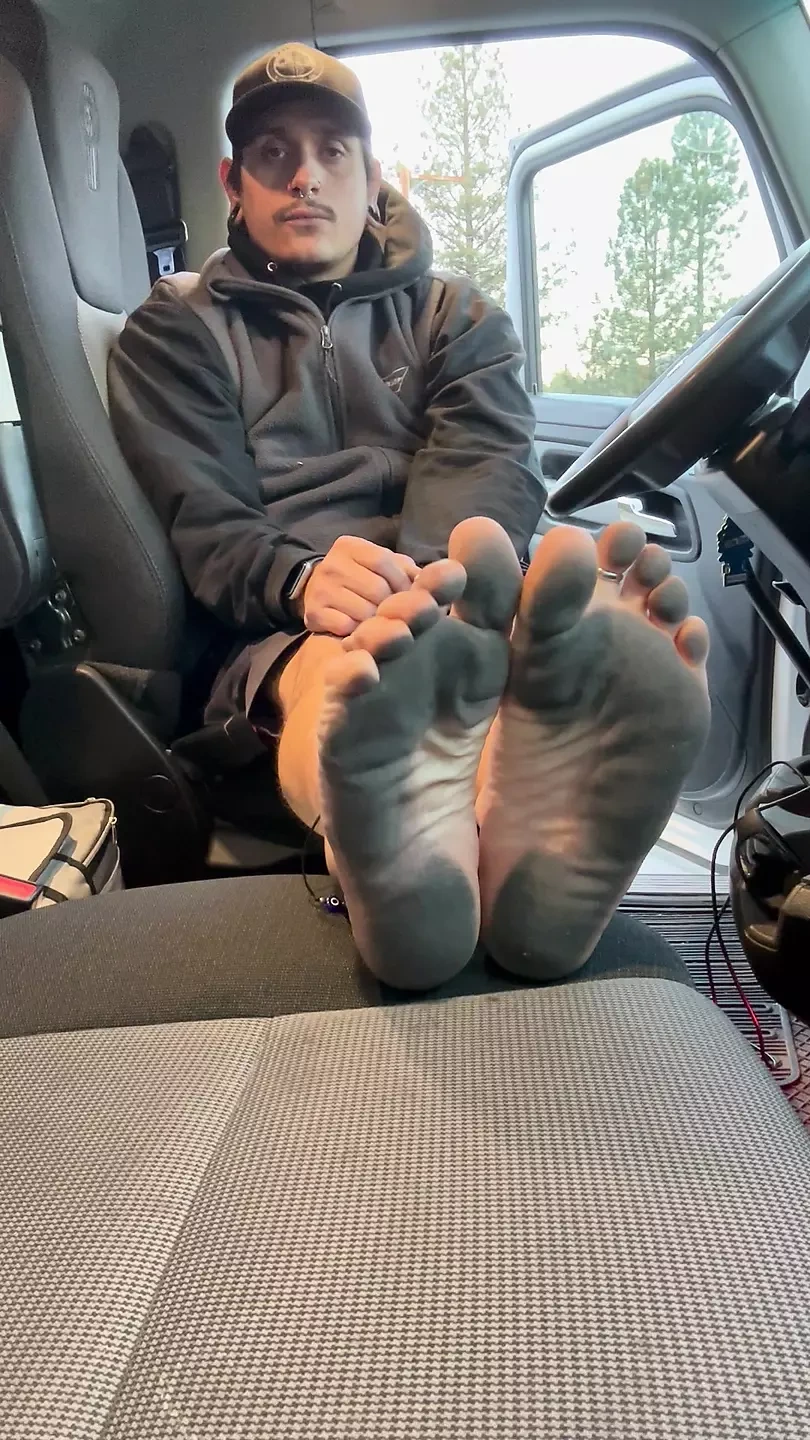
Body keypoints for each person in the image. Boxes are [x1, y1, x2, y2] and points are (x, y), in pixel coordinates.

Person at [109, 44, 711, 990]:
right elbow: (208, 516)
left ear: (373, 174)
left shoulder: (456, 315)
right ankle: (405, 817)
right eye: (273, 152)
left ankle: (498, 817)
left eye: (333, 150)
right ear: (232, 182)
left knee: (457, 641)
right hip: (282, 624)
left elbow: (484, 465)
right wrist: (302, 580)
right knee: (343, 679)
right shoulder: (176, 328)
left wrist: (435, 601)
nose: (305, 175)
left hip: (456, 597)